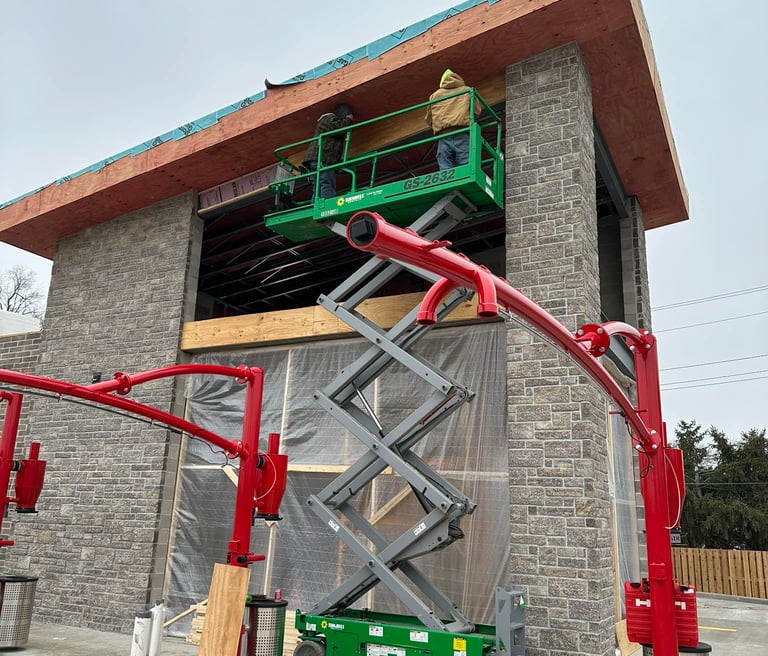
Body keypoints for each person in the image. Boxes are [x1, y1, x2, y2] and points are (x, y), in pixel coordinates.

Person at [424, 69, 481, 170]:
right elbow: (477, 111)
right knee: (465, 165)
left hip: (443, 135)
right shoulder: (467, 90)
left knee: (445, 165)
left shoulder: (435, 96)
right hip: (462, 132)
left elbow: (429, 119)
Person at [302, 104, 354, 199]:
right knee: (326, 182)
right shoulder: (328, 118)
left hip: (318, 158)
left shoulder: (329, 121)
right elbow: (338, 129)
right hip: (321, 158)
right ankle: (326, 206)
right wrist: (348, 120)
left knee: (318, 186)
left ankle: (316, 207)